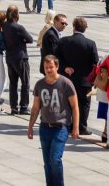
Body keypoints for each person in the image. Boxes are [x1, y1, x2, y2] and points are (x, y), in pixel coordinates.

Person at [27, 55, 80, 186]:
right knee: (47, 162)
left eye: (51, 67)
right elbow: (35, 107)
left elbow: (75, 107)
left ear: (57, 67)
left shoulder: (66, 83)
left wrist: (76, 127)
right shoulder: (40, 84)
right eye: (46, 67)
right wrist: (30, 126)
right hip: (45, 127)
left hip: (61, 127)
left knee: (55, 159)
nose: (49, 70)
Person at [55, 17, 100, 135]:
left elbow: (56, 57)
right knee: (84, 103)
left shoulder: (63, 41)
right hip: (84, 80)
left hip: (67, 78)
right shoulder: (90, 43)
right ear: (85, 29)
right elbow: (95, 63)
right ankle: (82, 127)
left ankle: (68, 125)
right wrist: (92, 79)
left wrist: (65, 67)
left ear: (74, 28)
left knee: (67, 102)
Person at [3, 5, 33, 115]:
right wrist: (23, 40)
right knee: (25, 83)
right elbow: (30, 39)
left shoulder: (4, 25)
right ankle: (24, 107)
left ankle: (13, 107)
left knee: (13, 83)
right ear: (16, 14)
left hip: (10, 57)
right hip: (20, 58)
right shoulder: (19, 27)